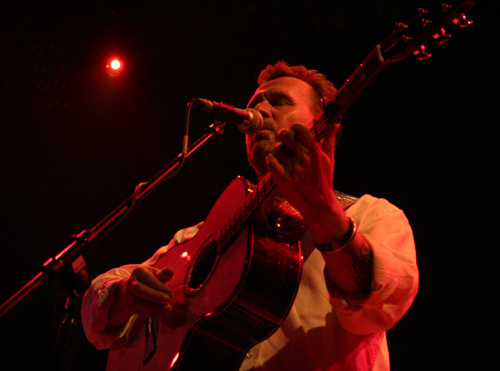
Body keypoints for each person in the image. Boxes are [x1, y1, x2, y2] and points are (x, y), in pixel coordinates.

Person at [81, 61, 419, 370]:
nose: (258, 109)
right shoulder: (196, 236)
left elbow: (382, 306)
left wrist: (323, 211)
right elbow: (97, 307)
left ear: (325, 125)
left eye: (279, 101)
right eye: (255, 102)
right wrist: (125, 295)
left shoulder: (370, 213)